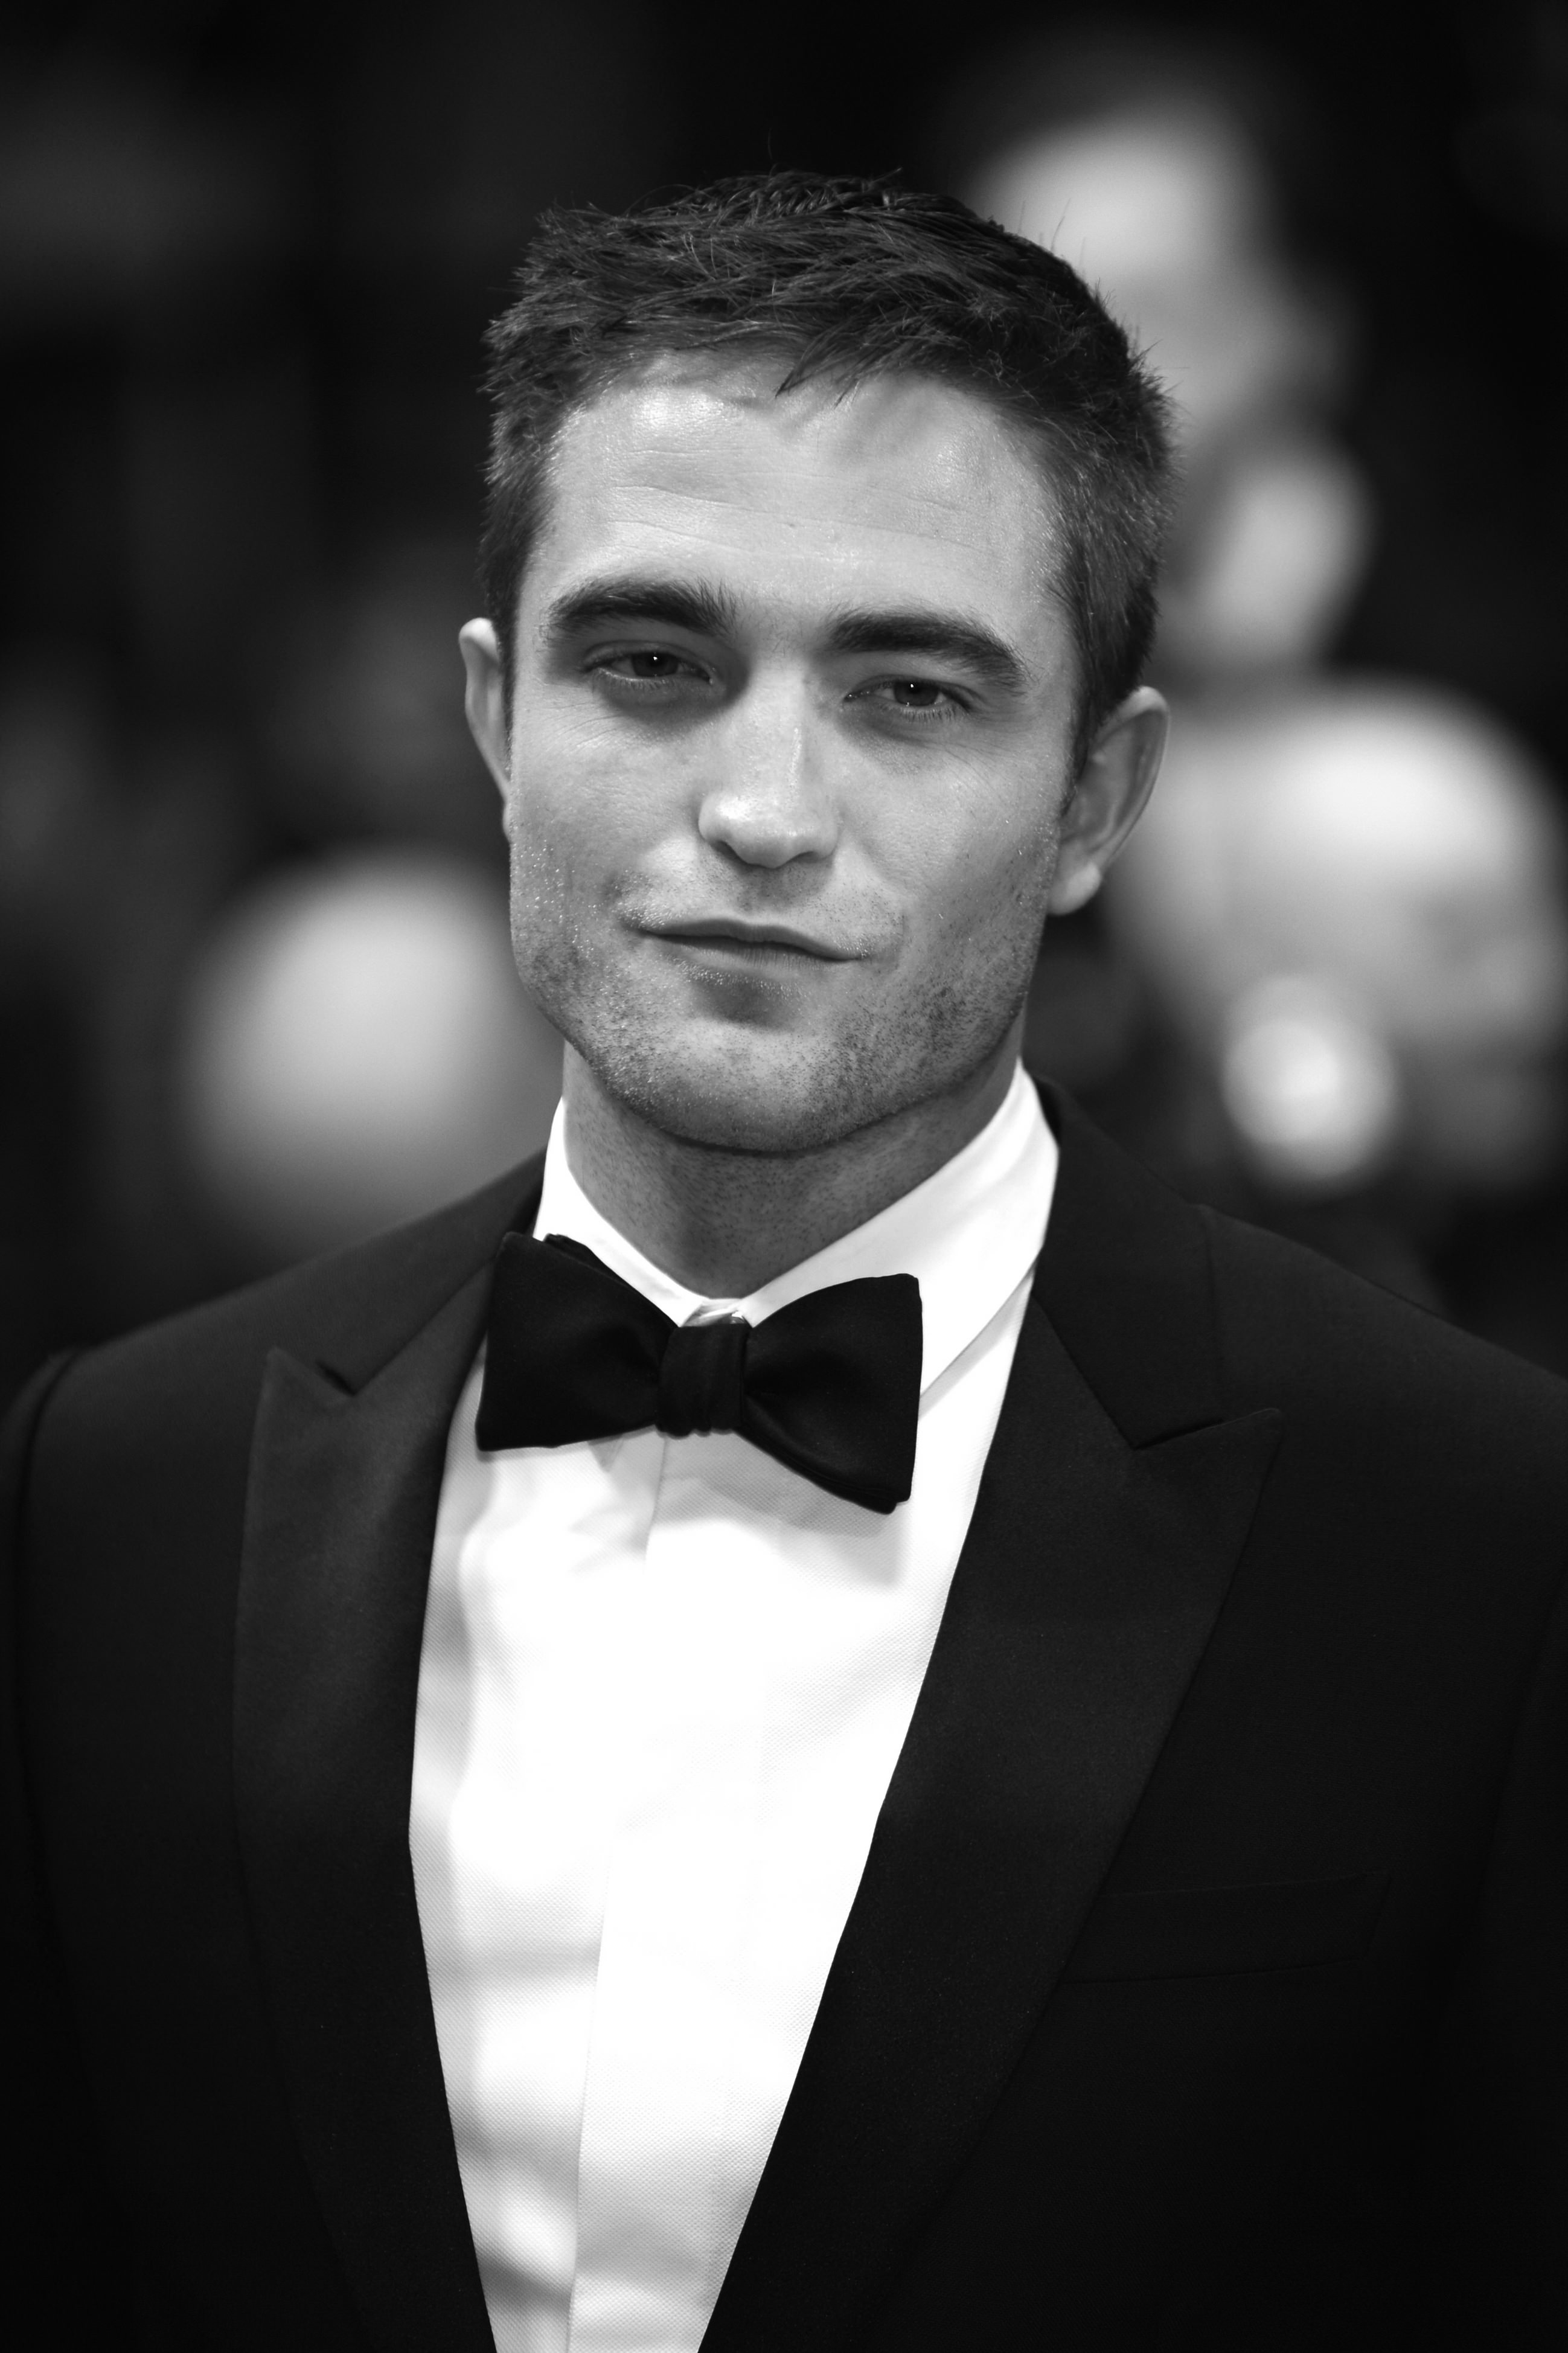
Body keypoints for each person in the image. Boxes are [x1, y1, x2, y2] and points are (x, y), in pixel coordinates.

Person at [3, 173, 1566, 2353]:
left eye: (911, 693)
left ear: (1097, 800)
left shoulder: (1475, 1537)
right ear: (496, 723)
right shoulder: (117, 1495)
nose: (762, 806)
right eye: (651, 663)